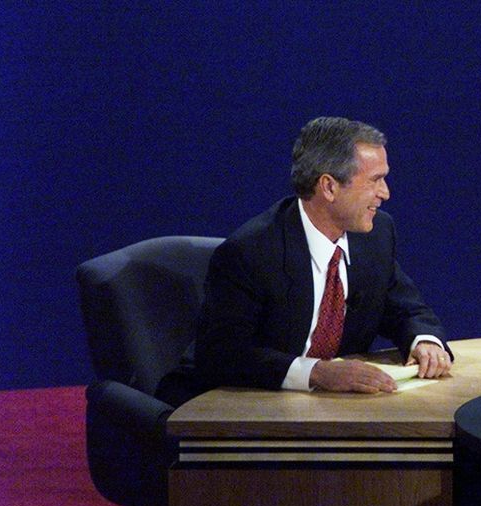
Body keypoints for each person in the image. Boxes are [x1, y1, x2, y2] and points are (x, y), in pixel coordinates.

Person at [159, 116, 451, 404]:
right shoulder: (252, 252)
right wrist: (316, 373)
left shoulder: (376, 235)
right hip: (234, 406)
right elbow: (223, 354)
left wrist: (424, 340)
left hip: (328, 410)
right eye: (375, 180)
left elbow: (405, 309)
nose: (385, 193)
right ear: (329, 187)